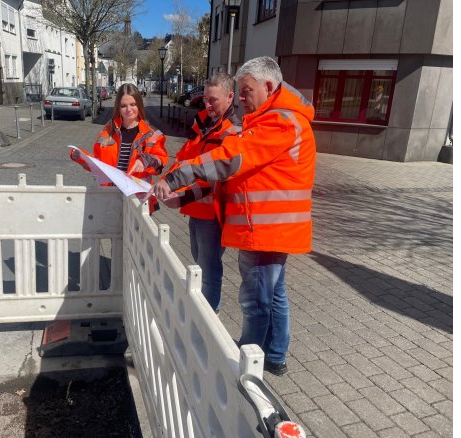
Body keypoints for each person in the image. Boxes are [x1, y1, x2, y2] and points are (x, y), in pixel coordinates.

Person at [154, 57, 316, 376]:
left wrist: (175, 179)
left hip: (264, 230)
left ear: (268, 87)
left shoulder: (278, 121)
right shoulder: (270, 119)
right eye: (239, 92)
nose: (241, 98)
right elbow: (225, 179)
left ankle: (245, 368)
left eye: (245, 91)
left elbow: (229, 160)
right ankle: (275, 355)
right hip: (270, 229)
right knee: (274, 294)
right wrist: (185, 193)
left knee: (256, 302)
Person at [159, 73, 241, 314]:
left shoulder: (232, 131)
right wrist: (167, 180)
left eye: (212, 100)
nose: (207, 104)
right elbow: (185, 159)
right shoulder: (204, 123)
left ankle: (209, 316)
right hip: (196, 208)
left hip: (212, 212)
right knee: (200, 260)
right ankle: (204, 310)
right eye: (205, 98)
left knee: (209, 267)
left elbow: (215, 177)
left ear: (230, 97)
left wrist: (181, 195)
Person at [70, 83, 168, 212]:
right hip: (110, 197)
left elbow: (160, 162)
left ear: (139, 104)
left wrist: (145, 160)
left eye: (133, 104)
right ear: (118, 107)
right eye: (124, 106)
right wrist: (81, 157)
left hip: (138, 200)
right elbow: (99, 165)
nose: (129, 109)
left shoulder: (152, 134)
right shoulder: (108, 131)